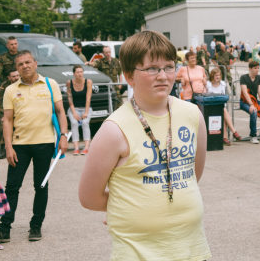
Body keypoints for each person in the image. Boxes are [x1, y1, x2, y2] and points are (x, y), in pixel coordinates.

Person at [79, 31, 211, 260]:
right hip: (138, 252)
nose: (163, 76)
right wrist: (126, 204)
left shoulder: (192, 115)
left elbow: (192, 175)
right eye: (151, 68)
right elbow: (89, 196)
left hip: (192, 249)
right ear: (129, 76)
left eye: (169, 66)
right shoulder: (113, 130)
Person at [0, 50, 69, 243]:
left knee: (41, 186)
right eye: (20, 64)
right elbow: (7, 120)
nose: (25, 66)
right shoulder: (11, 90)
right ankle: (5, 228)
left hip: (44, 144)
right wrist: (8, 147)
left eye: (28, 62)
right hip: (19, 146)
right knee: (12, 187)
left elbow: (61, 112)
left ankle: (36, 226)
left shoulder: (50, 84)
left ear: (35, 63)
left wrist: (63, 136)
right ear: (17, 69)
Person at [206, 68, 242, 145]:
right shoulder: (208, 84)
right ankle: (233, 132)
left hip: (221, 106)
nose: (217, 77)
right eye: (216, 75)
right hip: (210, 107)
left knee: (223, 112)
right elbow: (206, 96)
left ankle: (225, 137)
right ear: (212, 76)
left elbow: (225, 97)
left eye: (219, 75)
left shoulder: (223, 84)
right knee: (223, 111)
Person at [67, 65, 93, 155]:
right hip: (74, 108)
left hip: (86, 108)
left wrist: (86, 112)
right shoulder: (69, 83)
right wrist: (74, 112)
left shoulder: (88, 82)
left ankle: (86, 147)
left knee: (85, 123)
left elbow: (88, 98)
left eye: (81, 72)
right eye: (78, 72)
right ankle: (76, 147)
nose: (80, 74)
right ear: (74, 74)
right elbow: (69, 98)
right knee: (74, 123)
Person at [240, 60, 260, 144]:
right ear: (250, 68)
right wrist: (251, 105)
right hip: (244, 102)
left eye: (258, 68)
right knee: (254, 111)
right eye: (255, 68)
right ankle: (253, 135)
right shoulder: (244, 77)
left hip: (255, 101)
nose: (257, 70)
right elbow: (245, 93)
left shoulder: (259, 78)